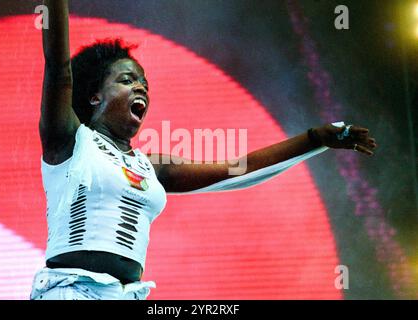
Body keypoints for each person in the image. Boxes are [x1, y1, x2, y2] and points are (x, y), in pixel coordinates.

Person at [30, 0, 377, 300]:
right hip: (71, 290)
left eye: (144, 83)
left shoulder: (151, 168)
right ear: (94, 96)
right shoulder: (71, 141)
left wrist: (316, 138)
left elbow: (238, 170)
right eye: (127, 80)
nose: (141, 87)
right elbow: (59, 69)